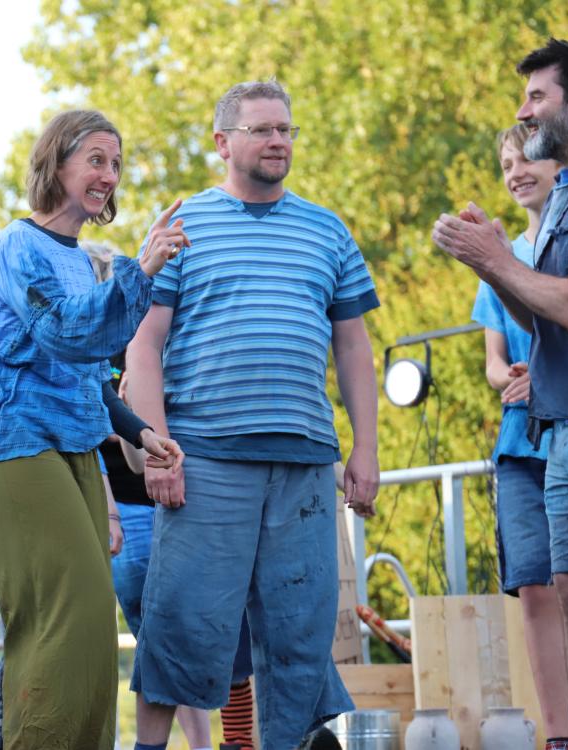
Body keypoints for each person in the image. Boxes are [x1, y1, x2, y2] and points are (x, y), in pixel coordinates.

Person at [126, 79, 380, 750]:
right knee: (181, 625)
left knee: (301, 631)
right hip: (205, 461)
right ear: (222, 142)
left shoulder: (327, 229)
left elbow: (354, 347)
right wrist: (156, 451)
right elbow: (142, 347)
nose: (278, 140)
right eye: (263, 129)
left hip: (304, 463)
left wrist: (366, 449)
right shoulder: (184, 226)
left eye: (286, 130)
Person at [0, 109, 184, 750]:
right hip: (20, 450)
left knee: (87, 630)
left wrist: (143, 435)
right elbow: (63, 329)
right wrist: (141, 269)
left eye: (115, 164)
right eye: (96, 159)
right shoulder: (17, 246)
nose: (108, 176)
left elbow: (89, 371)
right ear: (55, 162)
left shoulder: (81, 260)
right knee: (74, 614)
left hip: (76, 451)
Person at [434, 38, 568, 749]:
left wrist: (498, 259)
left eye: (538, 96)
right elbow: (541, 317)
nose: (524, 109)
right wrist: (492, 263)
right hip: (559, 433)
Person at [84, 241, 214, 750]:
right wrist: (112, 512)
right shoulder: (88, 350)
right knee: (155, 639)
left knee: (175, 637)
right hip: (125, 508)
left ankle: (204, 745)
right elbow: (89, 442)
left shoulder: (144, 341)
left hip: (170, 502)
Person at [470, 124, 568, 750]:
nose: (515, 172)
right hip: (519, 447)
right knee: (534, 586)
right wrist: (512, 376)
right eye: (506, 163)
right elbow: (491, 361)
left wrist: (546, 375)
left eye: (527, 160)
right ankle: (558, 732)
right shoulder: (497, 256)